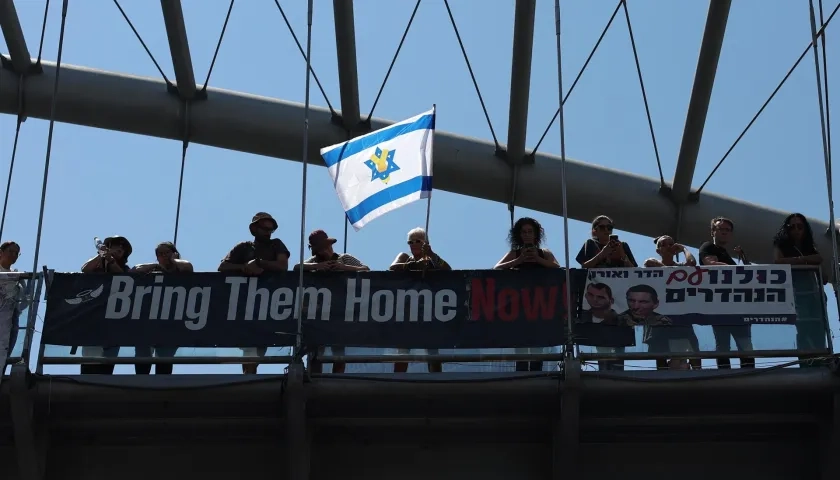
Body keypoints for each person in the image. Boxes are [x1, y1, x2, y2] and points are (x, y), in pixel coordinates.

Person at [219, 212, 290, 374]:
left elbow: (282, 266)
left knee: (260, 345)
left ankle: (249, 376)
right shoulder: (243, 247)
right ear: (254, 229)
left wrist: (258, 262)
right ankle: (248, 377)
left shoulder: (276, 244)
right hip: (246, 304)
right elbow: (223, 267)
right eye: (264, 228)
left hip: (272, 303)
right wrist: (244, 267)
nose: (268, 232)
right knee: (250, 346)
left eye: (270, 229)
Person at [295, 229, 368, 374]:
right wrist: (318, 267)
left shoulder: (344, 258)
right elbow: (297, 268)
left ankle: (338, 380)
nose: (325, 250)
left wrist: (343, 268)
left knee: (339, 353)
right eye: (321, 248)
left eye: (326, 246)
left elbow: (366, 270)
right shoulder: (314, 262)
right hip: (318, 312)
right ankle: (314, 382)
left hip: (340, 310)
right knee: (316, 352)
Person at [494, 217, 560, 372]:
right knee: (521, 344)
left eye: (530, 231)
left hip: (540, 305)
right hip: (519, 306)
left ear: (536, 234)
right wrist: (519, 260)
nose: (527, 235)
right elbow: (497, 268)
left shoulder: (545, 253)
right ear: (519, 235)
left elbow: (557, 267)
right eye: (524, 232)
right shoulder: (514, 253)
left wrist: (537, 258)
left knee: (538, 345)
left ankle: (537, 375)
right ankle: (521, 376)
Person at [575, 216, 637, 371]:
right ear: (594, 230)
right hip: (597, 301)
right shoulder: (590, 244)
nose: (606, 231)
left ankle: (618, 377)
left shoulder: (623, 246)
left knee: (619, 344)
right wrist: (603, 253)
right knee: (601, 342)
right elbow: (584, 266)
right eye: (602, 227)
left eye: (609, 228)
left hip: (620, 301)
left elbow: (634, 271)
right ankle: (603, 375)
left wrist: (622, 256)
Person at [389, 227, 451, 373]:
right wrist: (412, 265)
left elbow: (448, 270)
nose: (414, 244)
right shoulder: (404, 257)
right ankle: (397, 383)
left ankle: (436, 382)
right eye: (411, 241)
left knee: (432, 349)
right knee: (403, 350)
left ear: (426, 242)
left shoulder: (432, 260)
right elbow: (392, 267)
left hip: (429, 309)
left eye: (418, 241)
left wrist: (431, 255)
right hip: (406, 310)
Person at [698, 217, 754, 369]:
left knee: (745, 346)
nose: (724, 232)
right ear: (713, 232)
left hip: (737, 308)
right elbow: (711, 265)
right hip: (719, 307)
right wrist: (735, 269)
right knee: (723, 346)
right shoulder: (708, 246)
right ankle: (724, 376)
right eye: (720, 229)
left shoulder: (727, 255)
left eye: (727, 230)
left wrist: (743, 260)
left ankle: (749, 376)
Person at [132, 242, 194, 375]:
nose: (164, 256)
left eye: (167, 252)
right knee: (142, 356)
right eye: (160, 254)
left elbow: (188, 267)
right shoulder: (153, 271)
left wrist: (174, 260)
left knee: (165, 359)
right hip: (148, 322)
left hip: (171, 323)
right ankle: (140, 384)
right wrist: (156, 265)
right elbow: (135, 270)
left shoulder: (181, 269)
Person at [772, 213, 826, 362]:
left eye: (800, 226)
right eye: (792, 226)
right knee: (804, 327)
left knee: (819, 328)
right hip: (796, 292)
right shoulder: (781, 244)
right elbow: (779, 262)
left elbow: (820, 262)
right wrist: (804, 261)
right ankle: (806, 361)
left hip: (814, 293)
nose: (796, 230)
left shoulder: (809, 246)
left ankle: (822, 359)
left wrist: (798, 260)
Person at [644, 235, 700, 370]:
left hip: (681, 319)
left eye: (671, 244)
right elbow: (650, 265)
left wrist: (683, 248)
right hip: (659, 320)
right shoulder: (652, 263)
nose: (669, 247)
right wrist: (670, 270)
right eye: (664, 244)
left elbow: (692, 263)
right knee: (661, 359)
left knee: (694, 355)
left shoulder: (681, 268)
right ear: (658, 251)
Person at [80, 235, 133, 374]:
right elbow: (85, 269)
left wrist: (110, 260)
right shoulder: (98, 265)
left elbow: (121, 276)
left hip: (114, 321)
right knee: (90, 363)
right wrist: (101, 255)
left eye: (123, 247)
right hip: (94, 320)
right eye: (116, 245)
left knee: (108, 365)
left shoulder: (126, 269)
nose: (120, 248)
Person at [0, 241, 22, 365]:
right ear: (1, 252)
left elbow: (25, 298)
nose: (13, 255)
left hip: (10, 317)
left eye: (16, 253)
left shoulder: (17, 275)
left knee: (5, 349)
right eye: (11, 251)